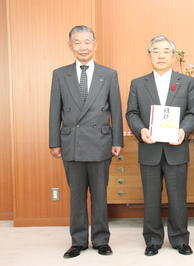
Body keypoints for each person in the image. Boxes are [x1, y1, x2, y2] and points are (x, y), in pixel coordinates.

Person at [49, 25, 123, 258]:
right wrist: (54, 141)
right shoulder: (60, 74)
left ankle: (101, 240)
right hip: (72, 142)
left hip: (100, 142)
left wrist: (117, 139)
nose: (83, 47)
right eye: (78, 42)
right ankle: (78, 241)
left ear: (95, 44)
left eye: (87, 42)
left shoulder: (108, 74)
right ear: (70, 46)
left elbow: (116, 110)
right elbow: (54, 111)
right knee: (77, 195)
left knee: (100, 194)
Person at [126, 35, 194, 256]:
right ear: (149, 55)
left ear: (173, 56)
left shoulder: (187, 82)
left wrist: (183, 130)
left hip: (176, 149)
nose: (160, 55)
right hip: (149, 149)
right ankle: (153, 240)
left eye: (165, 51)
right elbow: (131, 113)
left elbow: (193, 113)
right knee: (150, 198)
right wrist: (141, 131)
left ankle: (179, 239)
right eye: (155, 51)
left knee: (178, 198)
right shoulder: (138, 83)